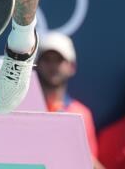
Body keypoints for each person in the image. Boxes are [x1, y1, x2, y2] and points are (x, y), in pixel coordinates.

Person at [36, 32, 102, 167]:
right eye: (47, 59)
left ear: (72, 67)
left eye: (59, 60)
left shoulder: (82, 114)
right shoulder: (22, 107)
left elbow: (88, 163)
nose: (53, 65)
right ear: (36, 64)